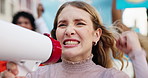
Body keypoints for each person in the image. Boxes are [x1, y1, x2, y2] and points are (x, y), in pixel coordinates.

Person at [1, 1, 148, 78]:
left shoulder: (110, 76)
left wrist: (137, 54)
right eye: (62, 24)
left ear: (96, 35)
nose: (69, 30)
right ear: (55, 35)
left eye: (80, 23)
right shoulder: (39, 75)